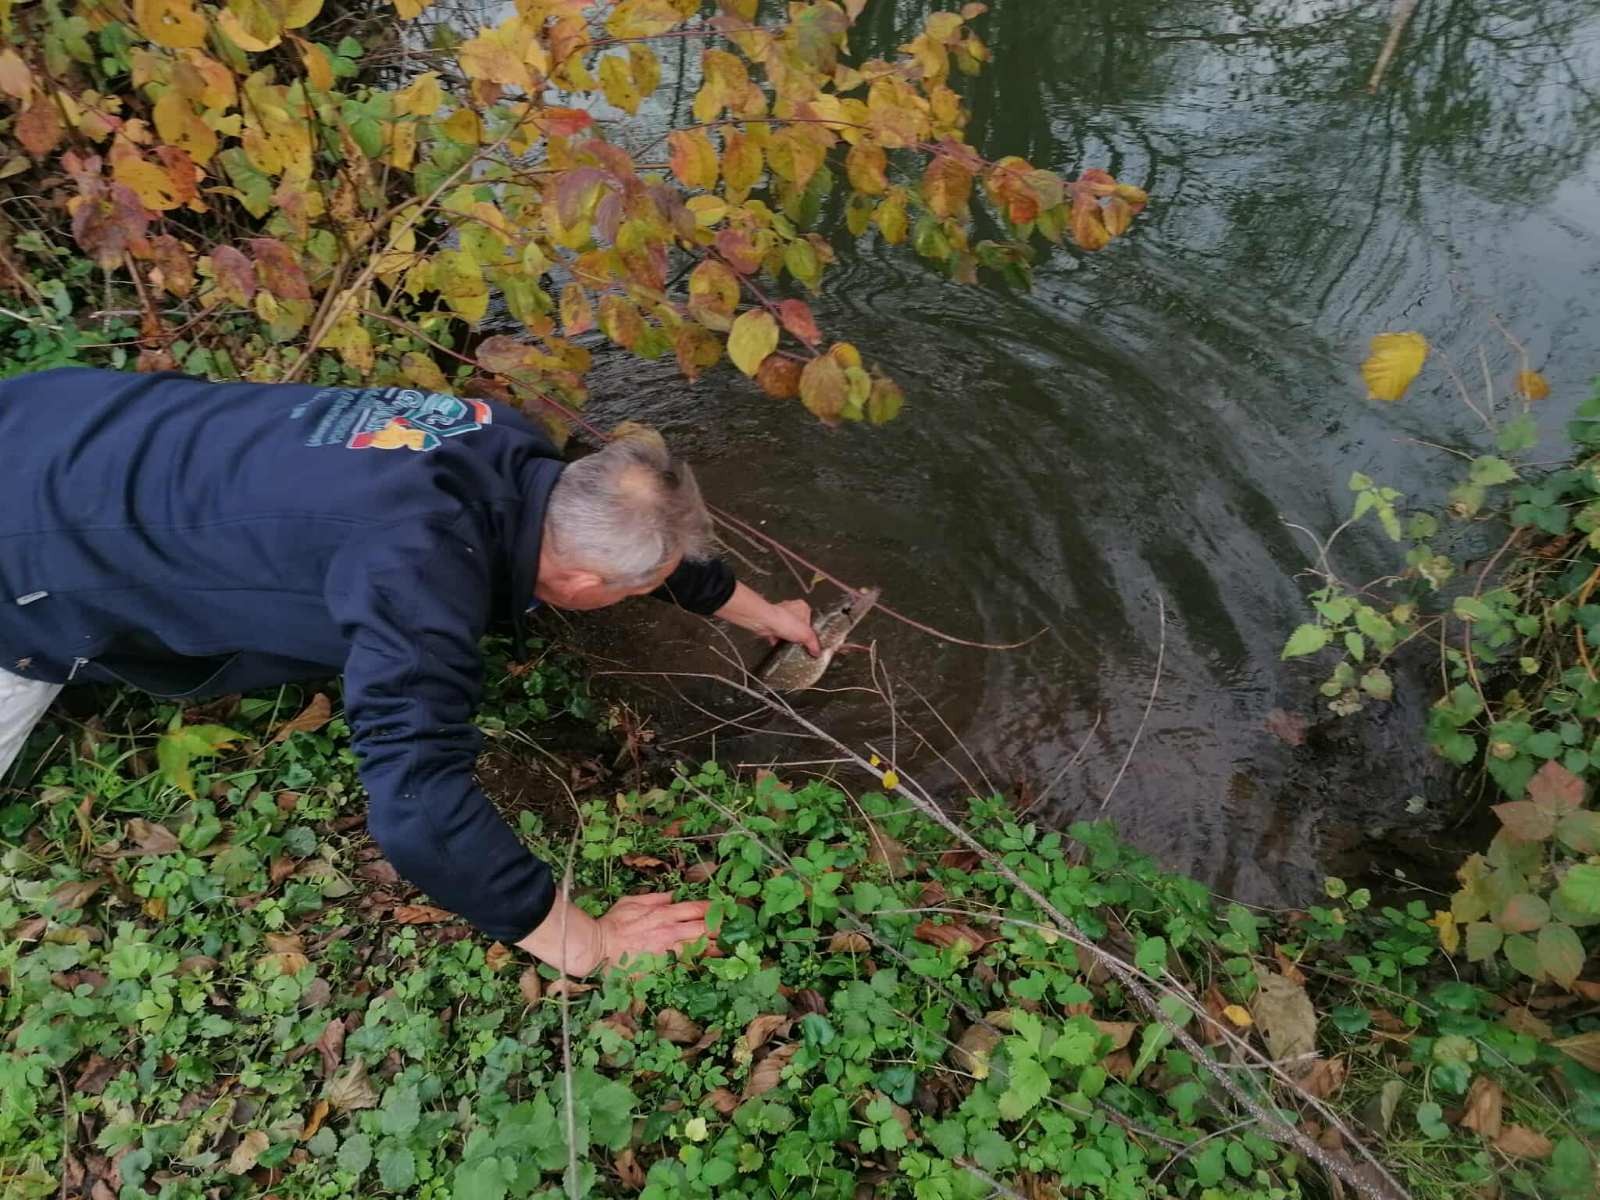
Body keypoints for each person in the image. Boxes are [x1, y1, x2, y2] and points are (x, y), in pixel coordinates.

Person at [0, 368, 820, 974]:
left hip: (48, 417)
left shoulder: (502, 439)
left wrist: (767, 616)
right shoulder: (420, 577)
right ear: (578, 586)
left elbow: (640, 530)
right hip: (19, 559)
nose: (638, 594)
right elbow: (417, 807)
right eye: (631, 591)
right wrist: (589, 943)